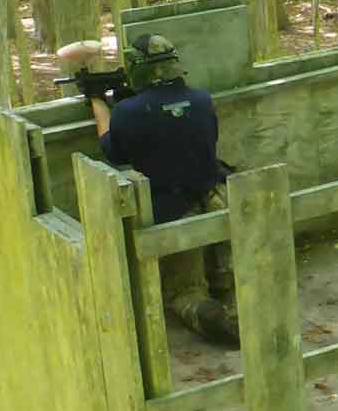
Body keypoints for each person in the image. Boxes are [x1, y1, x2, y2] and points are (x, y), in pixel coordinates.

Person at [59, 34, 240, 347]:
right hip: (216, 196)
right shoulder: (201, 99)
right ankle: (226, 285)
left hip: (172, 209)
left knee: (184, 292)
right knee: (227, 270)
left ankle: (207, 313)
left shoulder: (128, 112)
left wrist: (98, 101)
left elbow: (112, 150)